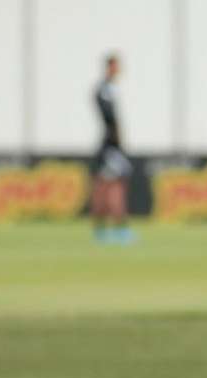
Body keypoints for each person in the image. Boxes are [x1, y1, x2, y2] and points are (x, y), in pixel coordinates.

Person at [92, 54, 134, 244]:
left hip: (108, 146)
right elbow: (109, 117)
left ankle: (100, 229)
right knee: (115, 186)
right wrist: (116, 138)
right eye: (116, 66)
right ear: (110, 67)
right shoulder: (105, 89)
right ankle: (119, 230)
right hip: (111, 147)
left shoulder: (106, 88)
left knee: (103, 186)